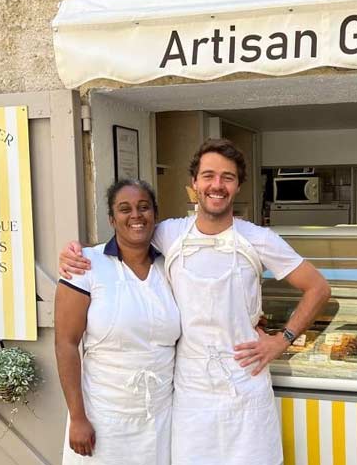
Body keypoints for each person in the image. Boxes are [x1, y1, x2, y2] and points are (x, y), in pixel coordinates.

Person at [60, 139, 331, 465]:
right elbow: (129, 234)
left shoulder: (259, 238)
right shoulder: (170, 234)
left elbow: (318, 288)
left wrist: (281, 341)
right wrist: (76, 253)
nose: (217, 185)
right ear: (194, 184)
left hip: (246, 388)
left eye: (227, 177)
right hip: (190, 396)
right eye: (208, 175)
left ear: (238, 185)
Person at [55, 179, 180, 465]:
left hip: (159, 419)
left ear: (155, 215)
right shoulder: (86, 264)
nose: (136, 215)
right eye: (125, 209)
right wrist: (77, 417)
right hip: (104, 418)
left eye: (143, 207)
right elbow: (65, 343)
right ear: (112, 219)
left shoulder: (169, 267)